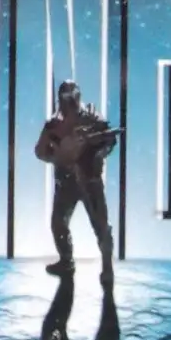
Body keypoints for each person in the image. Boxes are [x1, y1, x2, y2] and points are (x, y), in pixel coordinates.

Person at [33, 80, 119, 281]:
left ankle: (107, 268)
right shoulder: (53, 126)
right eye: (65, 99)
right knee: (58, 223)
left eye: (72, 98)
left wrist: (98, 151)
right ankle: (66, 262)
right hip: (66, 182)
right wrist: (59, 155)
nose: (69, 104)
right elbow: (40, 151)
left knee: (101, 226)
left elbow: (110, 140)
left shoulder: (92, 117)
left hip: (90, 180)